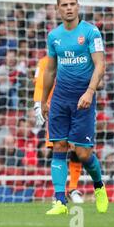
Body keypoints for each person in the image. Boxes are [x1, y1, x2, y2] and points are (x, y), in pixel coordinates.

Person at [41, 0, 108, 215]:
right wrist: (43, 100)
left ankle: (99, 186)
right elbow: (50, 70)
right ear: (57, 9)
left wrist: (89, 92)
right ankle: (60, 201)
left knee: (82, 153)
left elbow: (100, 65)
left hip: (83, 98)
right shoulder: (54, 36)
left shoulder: (91, 32)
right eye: (64, 5)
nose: (69, 8)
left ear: (78, 6)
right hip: (60, 98)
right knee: (58, 146)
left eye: (72, 4)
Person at [33, 55, 84, 204]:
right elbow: (39, 84)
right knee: (58, 148)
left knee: (77, 148)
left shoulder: (77, 59)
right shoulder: (43, 62)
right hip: (55, 109)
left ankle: (73, 188)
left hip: (76, 107)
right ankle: (59, 193)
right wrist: (38, 104)